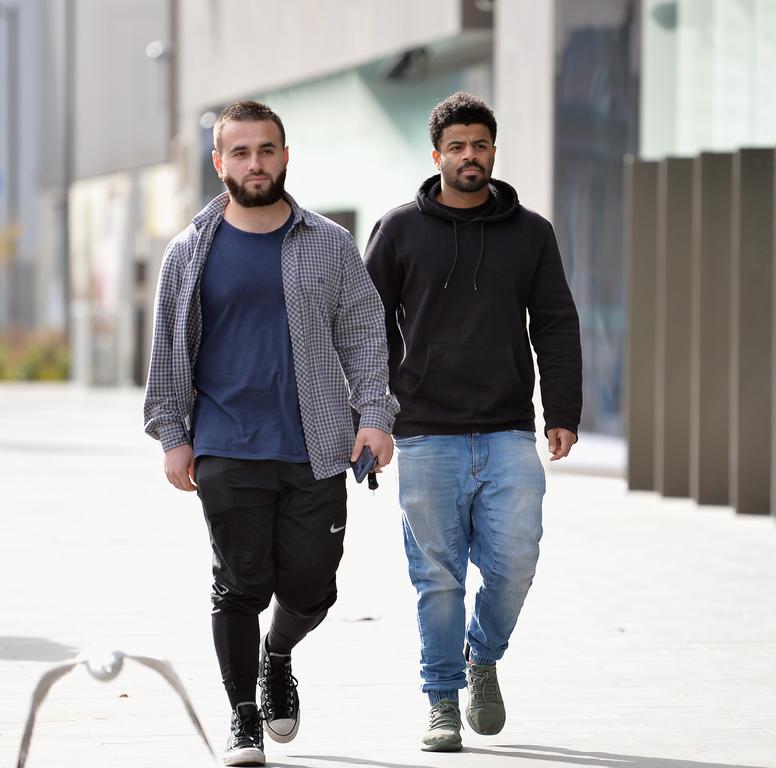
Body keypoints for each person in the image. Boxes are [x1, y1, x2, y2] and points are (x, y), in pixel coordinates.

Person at [143, 100, 397, 765]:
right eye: (241, 152)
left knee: (313, 587)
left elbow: (365, 334)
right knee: (239, 585)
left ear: (285, 156)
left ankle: (276, 655)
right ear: (219, 161)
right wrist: (172, 432)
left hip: (316, 445)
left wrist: (373, 417)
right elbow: (169, 347)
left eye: (266, 150)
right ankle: (241, 717)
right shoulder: (190, 251)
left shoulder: (328, 244)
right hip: (226, 446)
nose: (255, 164)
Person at [364, 91, 583, 751]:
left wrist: (563, 411)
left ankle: (480, 654)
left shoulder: (531, 234)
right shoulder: (399, 230)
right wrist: (371, 418)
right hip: (426, 432)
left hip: (508, 428)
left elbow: (555, 323)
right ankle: (440, 702)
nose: (469, 156)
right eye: (456, 147)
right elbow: (366, 330)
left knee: (516, 562)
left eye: (479, 145)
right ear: (437, 156)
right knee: (438, 576)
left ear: (493, 151)